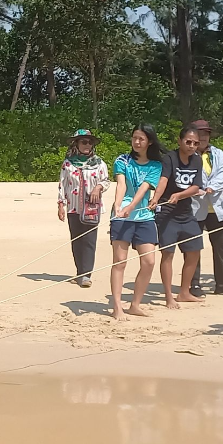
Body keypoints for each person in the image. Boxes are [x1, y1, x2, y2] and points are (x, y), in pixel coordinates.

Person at [109, 124, 165, 320]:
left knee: (149, 261)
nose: (137, 142)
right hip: (121, 217)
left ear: (149, 141)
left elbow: (144, 189)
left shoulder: (156, 165)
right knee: (119, 262)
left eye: (141, 139)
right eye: (134, 138)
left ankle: (135, 304)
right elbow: (121, 185)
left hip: (143, 216)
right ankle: (117, 307)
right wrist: (118, 206)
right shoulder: (122, 160)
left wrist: (131, 207)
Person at [147, 125, 204, 309]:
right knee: (168, 254)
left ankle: (184, 292)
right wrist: (156, 199)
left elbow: (196, 187)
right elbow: (163, 179)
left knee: (194, 251)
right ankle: (169, 296)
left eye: (196, 143)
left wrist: (181, 195)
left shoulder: (197, 160)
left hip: (186, 212)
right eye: (188, 142)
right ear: (180, 141)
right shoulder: (170, 158)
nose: (192, 146)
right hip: (167, 213)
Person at [188, 120, 223, 297]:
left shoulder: (218, 154)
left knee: (221, 246)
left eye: (205, 134)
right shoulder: (187, 154)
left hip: (216, 208)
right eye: (199, 133)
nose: (202, 137)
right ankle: (194, 283)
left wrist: (212, 186)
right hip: (195, 207)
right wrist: (200, 187)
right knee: (194, 247)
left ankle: (222, 283)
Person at [57, 129, 110, 288]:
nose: (87, 145)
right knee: (76, 240)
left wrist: (98, 188)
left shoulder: (99, 163)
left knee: (89, 241)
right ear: (77, 144)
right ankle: (80, 272)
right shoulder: (68, 163)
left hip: (91, 208)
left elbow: (106, 181)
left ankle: (87, 274)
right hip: (73, 207)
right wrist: (60, 204)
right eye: (84, 142)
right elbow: (62, 185)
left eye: (89, 142)